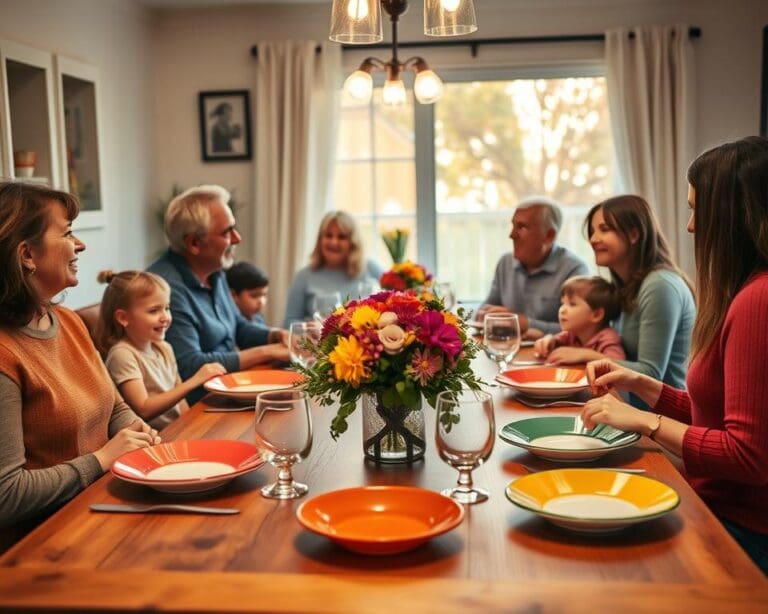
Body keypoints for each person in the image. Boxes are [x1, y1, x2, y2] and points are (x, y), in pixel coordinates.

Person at [580, 136, 768, 574]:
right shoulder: (744, 292)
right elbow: (715, 415)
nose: (689, 226)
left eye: (695, 209)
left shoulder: (757, 300)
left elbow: (749, 456)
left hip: (740, 531)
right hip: (716, 508)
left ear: (730, 217)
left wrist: (645, 420)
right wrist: (642, 385)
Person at [0, 182, 160, 545]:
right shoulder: (5, 355)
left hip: (102, 509)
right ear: (27, 254)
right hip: (43, 543)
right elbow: (6, 495)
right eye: (68, 233)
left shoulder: (69, 321)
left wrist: (144, 437)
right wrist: (101, 460)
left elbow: (114, 406)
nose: (81, 245)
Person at [148, 185, 288, 404]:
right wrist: (268, 352)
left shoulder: (215, 272)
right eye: (226, 232)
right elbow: (191, 365)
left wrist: (274, 335)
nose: (237, 238)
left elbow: (238, 327)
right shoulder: (165, 289)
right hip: (199, 407)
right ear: (194, 243)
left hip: (229, 390)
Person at [549, 195, 695, 401]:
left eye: (604, 229)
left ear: (634, 234)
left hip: (659, 417)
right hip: (624, 404)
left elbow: (651, 373)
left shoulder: (660, 286)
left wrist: (586, 355)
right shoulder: (624, 285)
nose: (593, 239)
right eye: (592, 231)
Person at [96, 270, 226, 430]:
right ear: (123, 318)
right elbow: (143, 409)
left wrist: (191, 426)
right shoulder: (122, 355)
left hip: (177, 431)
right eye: (154, 311)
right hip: (153, 440)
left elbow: (180, 401)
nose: (165, 317)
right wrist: (194, 381)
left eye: (167, 308)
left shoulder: (164, 348)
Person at [476, 196, 589, 338]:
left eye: (522, 227)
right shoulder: (505, 263)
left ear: (549, 235)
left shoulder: (574, 270)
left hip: (552, 356)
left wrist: (525, 323)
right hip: (507, 350)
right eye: (513, 226)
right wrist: (486, 316)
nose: (511, 235)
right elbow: (480, 314)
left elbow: (583, 329)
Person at [283, 211, 383, 327]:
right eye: (328, 235)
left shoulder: (371, 268)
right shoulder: (303, 276)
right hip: (320, 343)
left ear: (352, 242)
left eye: (341, 237)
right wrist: (309, 328)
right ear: (320, 240)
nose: (334, 242)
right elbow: (288, 322)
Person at [534, 275, 625, 361]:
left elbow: (619, 363)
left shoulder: (608, 338)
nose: (562, 310)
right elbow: (555, 341)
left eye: (572, 304)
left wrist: (585, 355)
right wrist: (548, 341)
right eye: (563, 304)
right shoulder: (571, 334)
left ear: (596, 315)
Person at [226, 261, 269, 325]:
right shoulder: (229, 322)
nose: (261, 302)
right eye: (254, 296)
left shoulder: (258, 319)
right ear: (233, 295)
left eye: (264, 295)